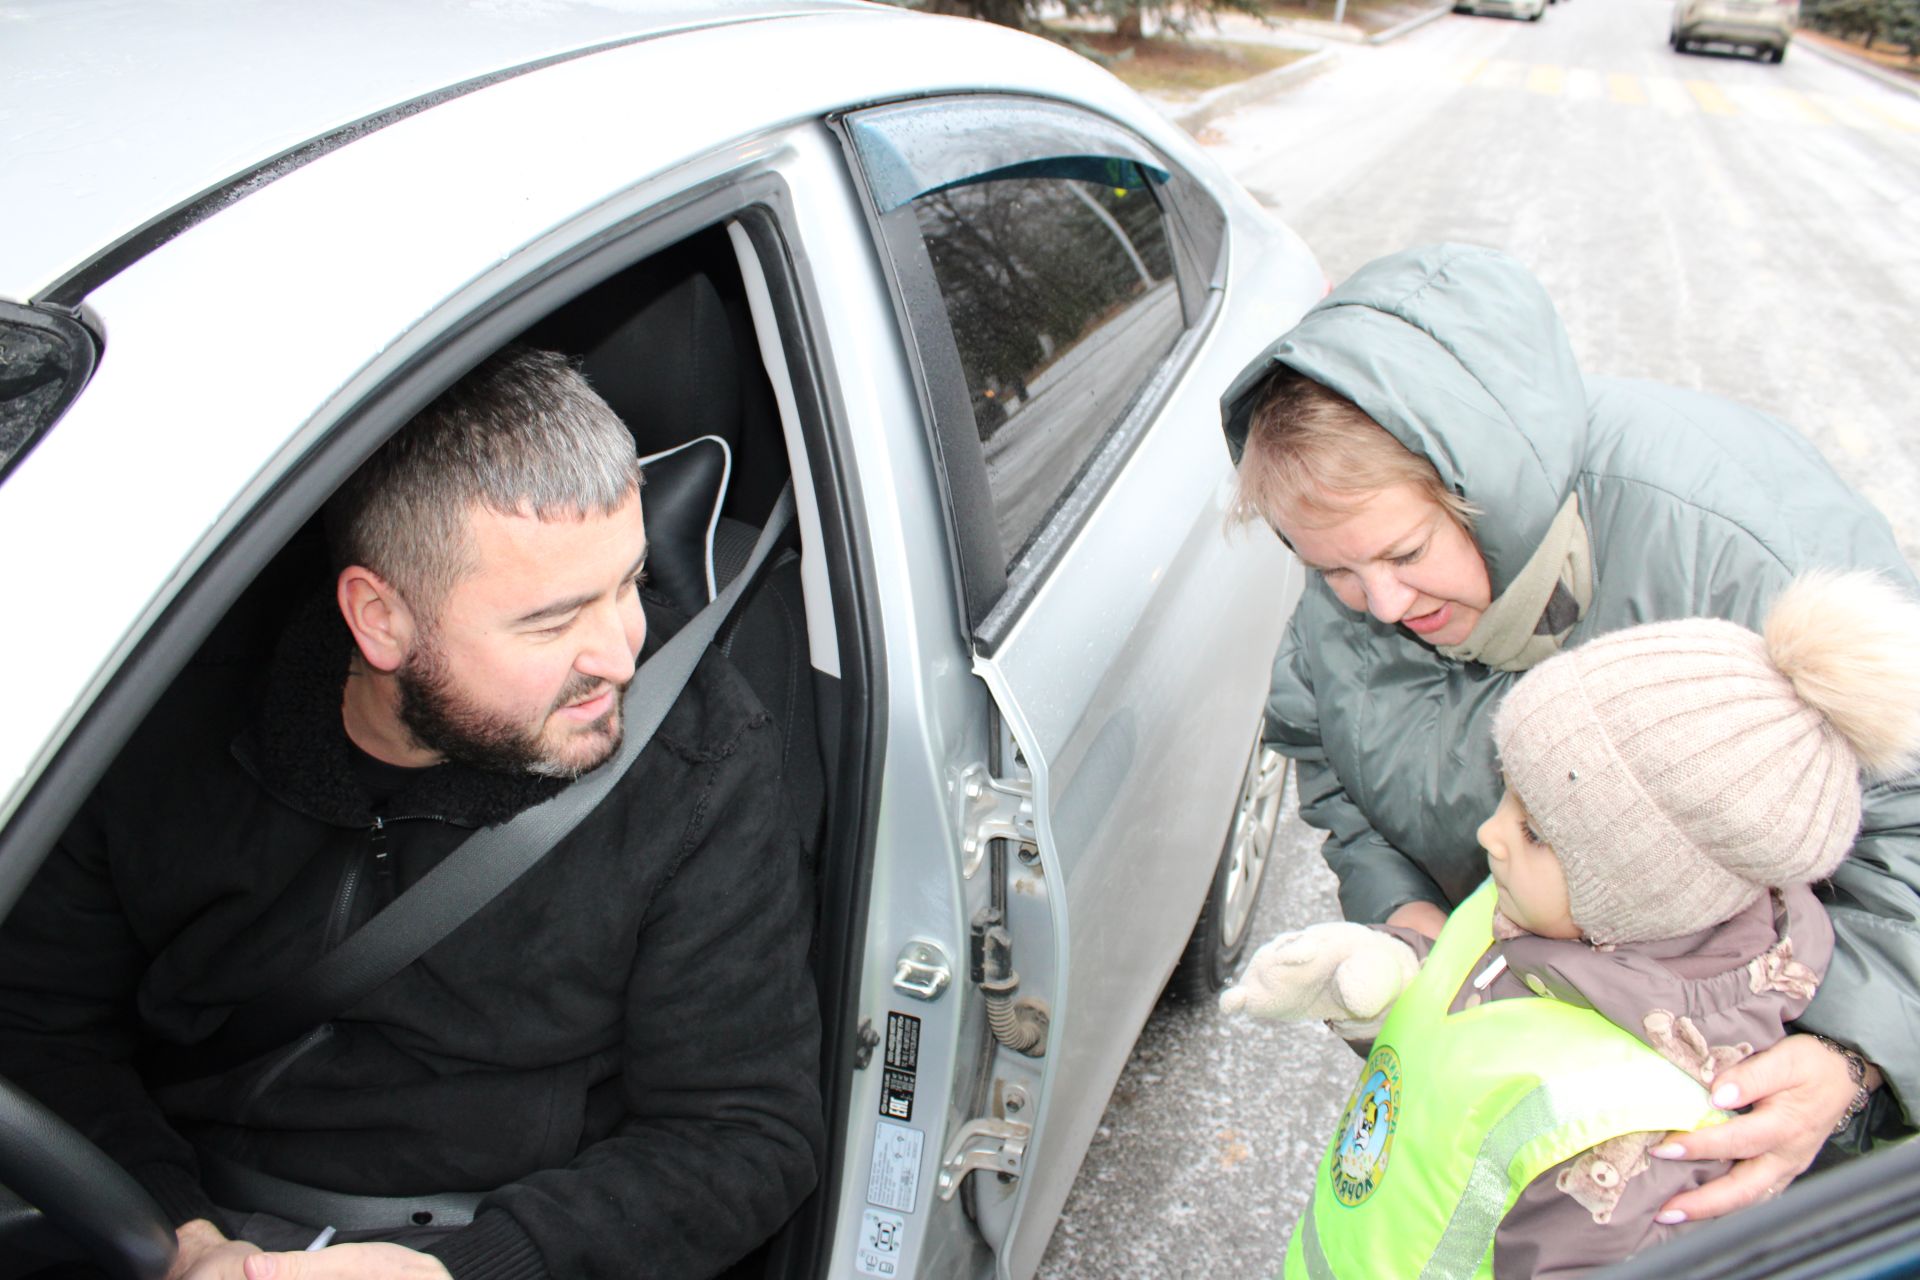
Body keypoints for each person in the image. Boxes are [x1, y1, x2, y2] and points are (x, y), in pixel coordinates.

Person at [0, 348, 823, 1280]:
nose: (623, 654)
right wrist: (178, 1234)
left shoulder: (695, 758)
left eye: (630, 583)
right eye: (552, 623)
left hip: (503, 1241)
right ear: (379, 619)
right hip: (167, 1211)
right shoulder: (162, 723)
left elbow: (744, 1132)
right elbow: (37, 1026)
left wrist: (462, 1270)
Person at [1220, 242, 1920, 1221]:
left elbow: (1909, 818)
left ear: (1479, 488)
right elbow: (1329, 754)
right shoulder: (1359, 562)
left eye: (1406, 552)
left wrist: (1857, 1054)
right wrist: (1413, 925)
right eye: (1332, 568)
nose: (1373, 602)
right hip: (1534, 1082)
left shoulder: (1731, 554)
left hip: (1731, 1105)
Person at [1221, 571, 1920, 1278]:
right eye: (1508, 794)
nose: (1491, 835)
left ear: (1640, 888)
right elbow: (1487, 1032)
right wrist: (1391, 971)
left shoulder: (1631, 1148)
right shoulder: (1544, 911)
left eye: (1535, 830)